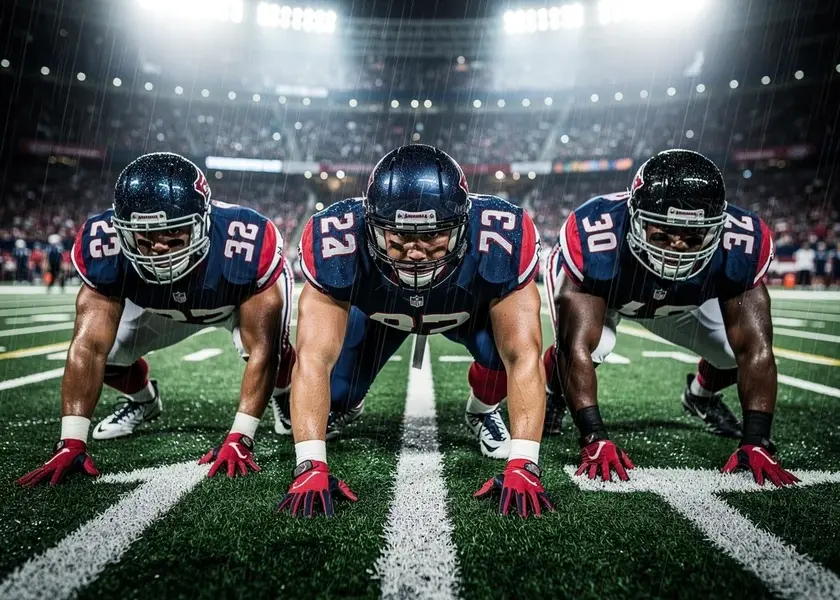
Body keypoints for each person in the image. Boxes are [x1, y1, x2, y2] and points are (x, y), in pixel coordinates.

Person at [278, 144, 552, 517]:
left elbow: (525, 355)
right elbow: (312, 357)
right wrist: (309, 464)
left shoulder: (500, 234)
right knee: (336, 393)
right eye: (400, 237)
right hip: (380, 316)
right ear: (370, 225)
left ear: (462, 224)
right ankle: (348, 403)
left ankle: (482, 411)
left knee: (502, 355)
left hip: (465, 313)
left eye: (433, 236)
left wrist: (525, 463)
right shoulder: (338, 238)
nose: (416, 252)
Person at [18, 152, 295, 487]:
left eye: (173, 232)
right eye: (143, 236)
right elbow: (89, 348)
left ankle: (283, 397)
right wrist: (71, 441)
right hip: (158, 306)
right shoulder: (103, 242)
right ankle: (144, 402)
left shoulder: (244, 241)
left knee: (273, 351)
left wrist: (241, 437)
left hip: (231, 302)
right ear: (121, 229)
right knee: (108, 358)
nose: (159, 248)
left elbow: (264, 351)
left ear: (202, 221)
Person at [544, 149, 798, 487]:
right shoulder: (597, 236)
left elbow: (755, 349)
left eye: (693, 237)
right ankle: (555, 396)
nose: (676, 247)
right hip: (607, 291)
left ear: (717, 227)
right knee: (593, 346)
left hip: (678, 295)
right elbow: (572, 346)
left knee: (728, 351)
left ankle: (700, 395)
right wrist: (594, 437)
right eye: (662, 233)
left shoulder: (742, 242)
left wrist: (757, 440)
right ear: (635, 218)